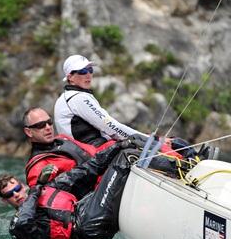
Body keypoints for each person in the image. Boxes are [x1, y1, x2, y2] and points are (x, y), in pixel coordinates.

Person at [54, 54, 205, 160]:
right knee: (163, 143)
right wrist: (148, 140)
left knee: (165, 141)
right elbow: (111, 126)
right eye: (82, 71)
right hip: (93, 153)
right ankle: (195, 161)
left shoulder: (69, 97)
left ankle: (195, 157)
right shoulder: (77, 99)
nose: (88, 75)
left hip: (91, 149)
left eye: (90, 70)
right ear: (70, 77)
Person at [0, 140, 136, 239]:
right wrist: (36, 188)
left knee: (122, 153)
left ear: (23, 186)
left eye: (17, 188)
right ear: (4, 201)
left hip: (91, 218)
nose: (16, 194)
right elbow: (24, 221)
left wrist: (117, 146)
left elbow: (88, 168)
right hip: (86, 227)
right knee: (126, 157)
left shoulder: (48, 188)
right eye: (9, 194)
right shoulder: (17, 225)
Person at [22, 107, 115, 187]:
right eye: (40, 125)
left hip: (107, 175)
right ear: (29, 132)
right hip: (96, 196)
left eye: (49, 122)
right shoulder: (37, 166)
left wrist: (116, 144)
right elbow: (41, 195)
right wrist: (41, 181)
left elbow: (94, 152)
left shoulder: (63, 138)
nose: (48, 127)